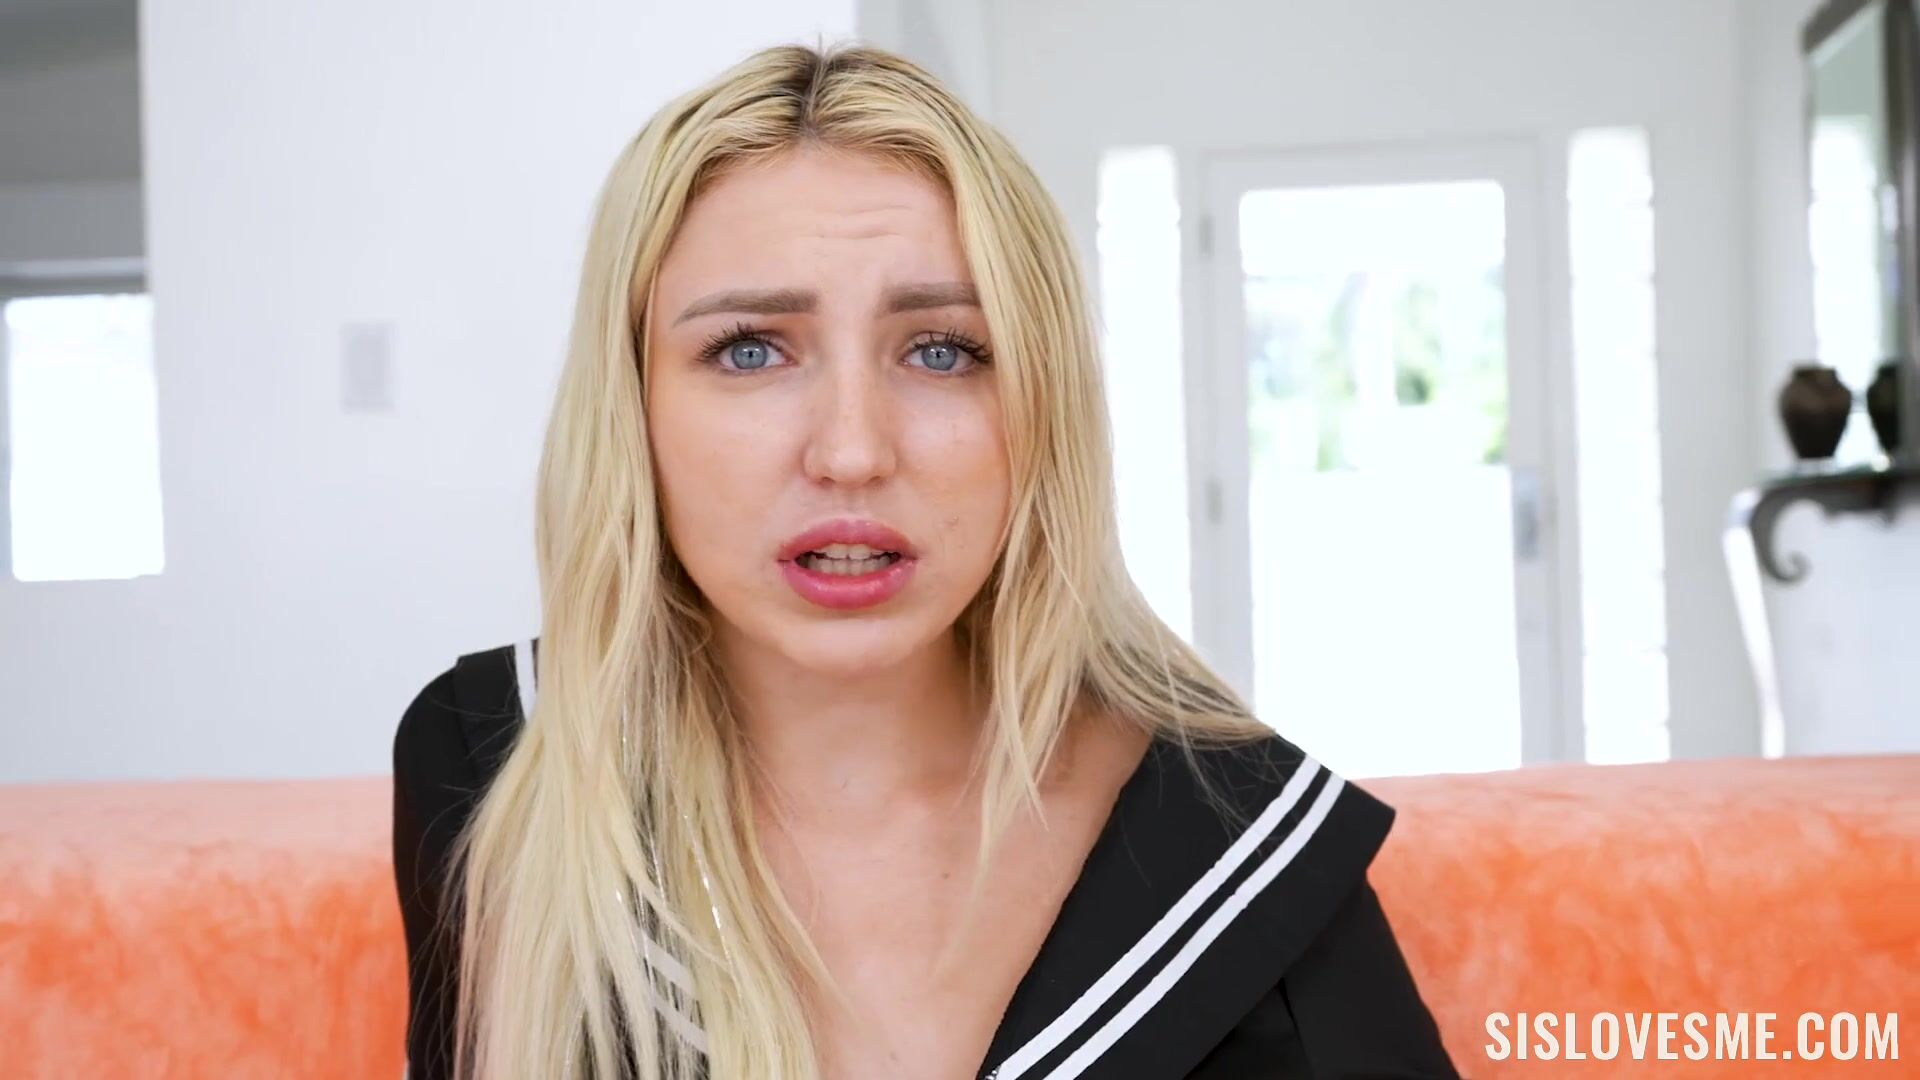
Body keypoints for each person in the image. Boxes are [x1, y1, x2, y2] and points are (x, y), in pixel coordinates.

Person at [391, 41, 1456, 1080]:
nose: (852, 451)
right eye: (750, 349)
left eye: (942, 351)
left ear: (1042, 406)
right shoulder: (494, 756)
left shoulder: (1247, 847)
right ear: (631, 407)